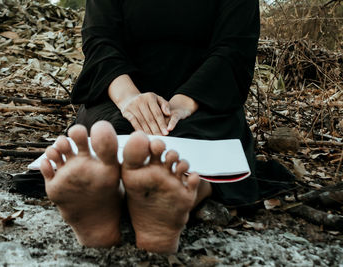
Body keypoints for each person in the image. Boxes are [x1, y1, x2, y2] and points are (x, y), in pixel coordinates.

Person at [40, 0, 260, 254]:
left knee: (192, 139)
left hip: (204, 97)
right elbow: (100, 40)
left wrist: (184, 102)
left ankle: (155, 198)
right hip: (119, 92)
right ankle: (108, 196)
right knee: (115, 131)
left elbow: (234, 47)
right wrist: (129, 99)